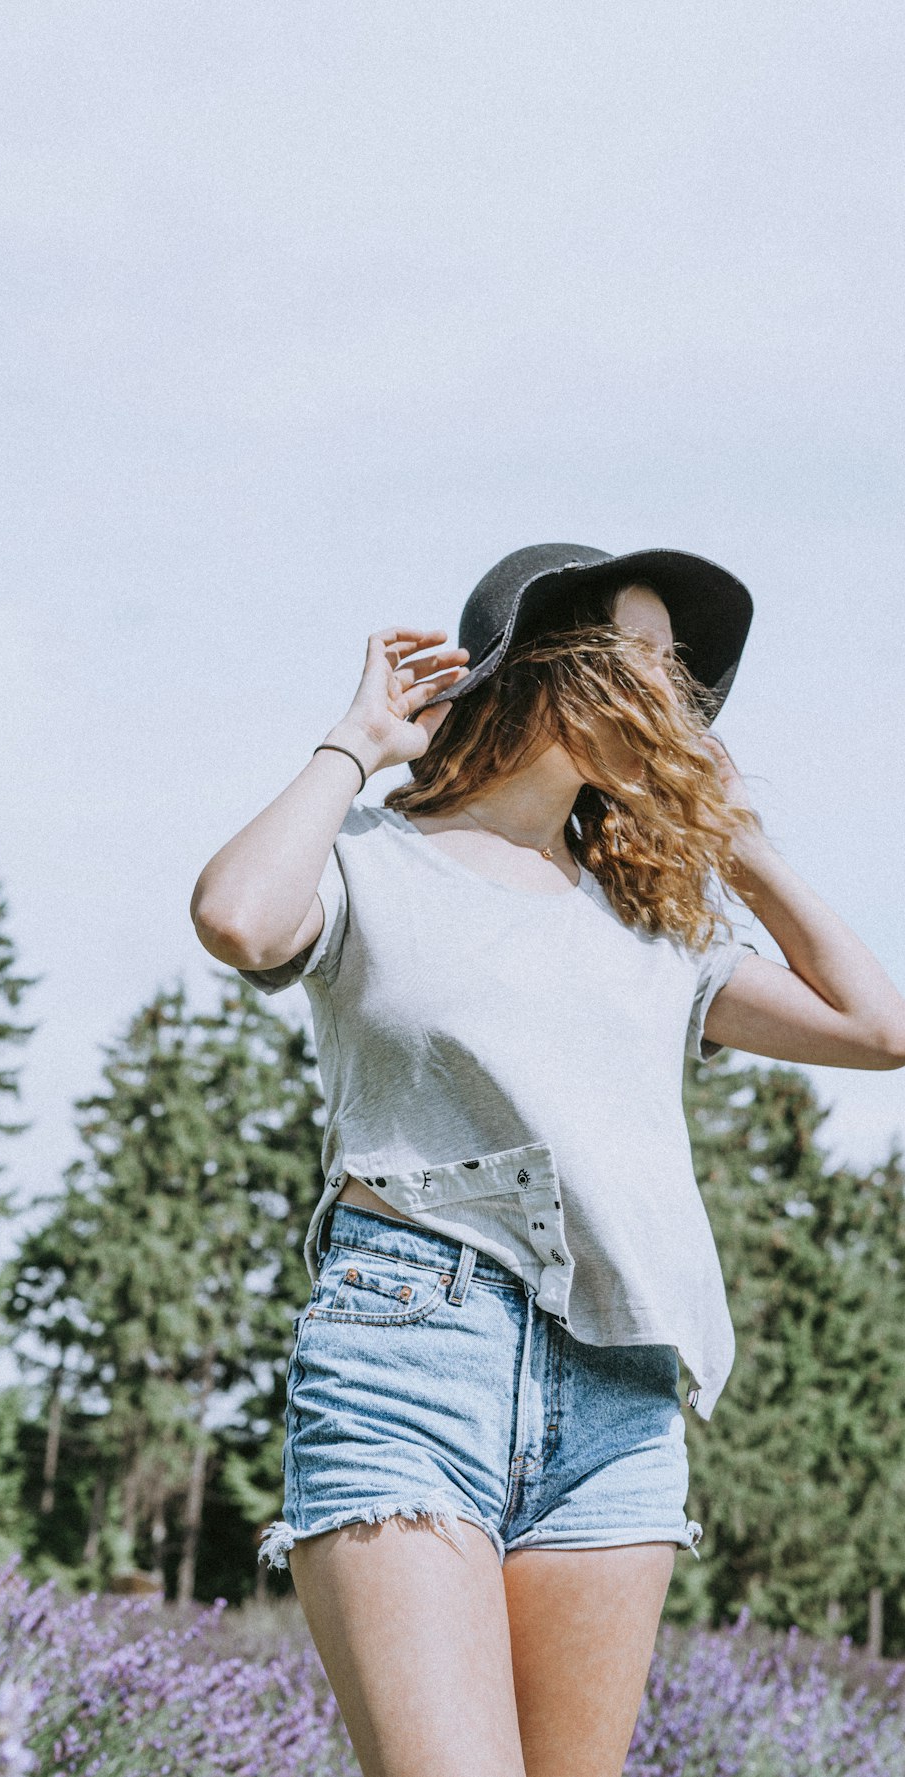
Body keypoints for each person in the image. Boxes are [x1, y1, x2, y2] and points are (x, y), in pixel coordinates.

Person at [190, 543, 905, 1777]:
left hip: (617, 1403)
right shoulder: (373, 855)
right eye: (638, 659)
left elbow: (875, 1028)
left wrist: (730, 838)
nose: (666, 696)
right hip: (411, 1355)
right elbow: (239, 917)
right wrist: (353, 744)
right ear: (536, 666)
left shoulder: (652, 926)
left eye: (677, 677)